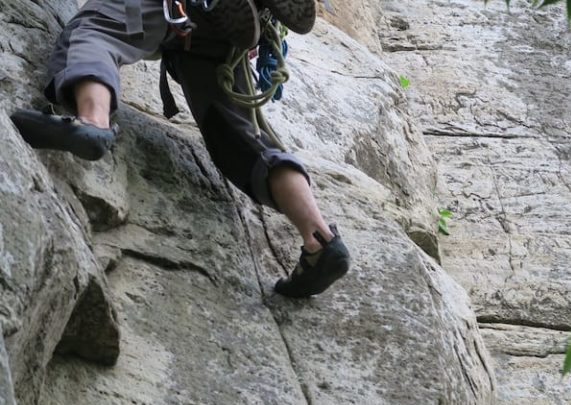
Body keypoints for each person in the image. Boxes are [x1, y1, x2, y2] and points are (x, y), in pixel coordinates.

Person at [10, 0, 350, 298]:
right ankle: (318, 237)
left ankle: (93, 121)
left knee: (98, 31)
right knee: (245, 141)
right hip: (215, 39)